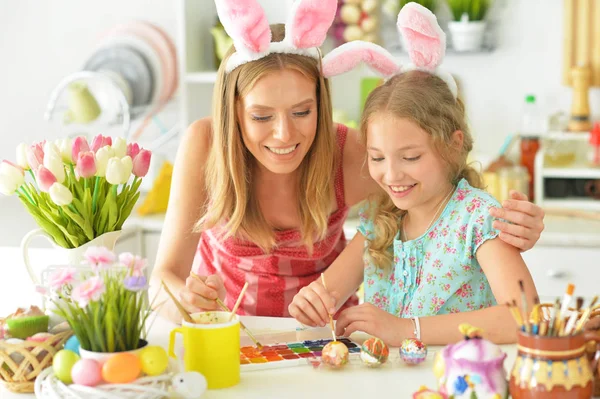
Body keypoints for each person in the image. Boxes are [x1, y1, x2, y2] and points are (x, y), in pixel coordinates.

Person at [150, 0, 544, 324]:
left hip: (324, 338)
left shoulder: (357, 154)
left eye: (302, 112)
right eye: (261, 116)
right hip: (227, 330)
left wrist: (512, 224)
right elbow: (163, 279)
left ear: (322, 104)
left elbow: (444, 190)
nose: (284, 135)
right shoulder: (205, 144)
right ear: (232, 113)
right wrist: (184, 298)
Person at [288, 3, 538, 345]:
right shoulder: (380, 221)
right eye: (377, 158)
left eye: (410, 157)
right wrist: (310, 302)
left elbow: (524, 315)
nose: (391, 174)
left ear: (453, 145)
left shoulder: (477, 218)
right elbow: (325, 293)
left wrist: (406, 330)